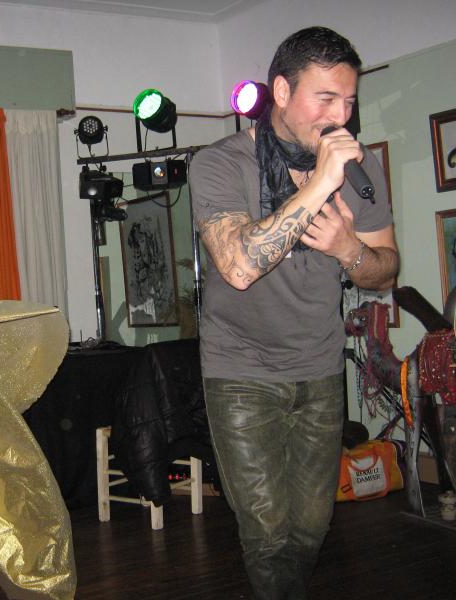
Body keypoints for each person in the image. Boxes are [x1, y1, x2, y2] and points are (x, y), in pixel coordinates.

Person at [189, 27, 398, 599]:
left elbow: (386, 270)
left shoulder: (360, 170)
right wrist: (321, 183)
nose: (341, 117)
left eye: (348, 101)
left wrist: (349, 250)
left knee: (310, 527)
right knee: (266, 532)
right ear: (281, 91)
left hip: (320, 367)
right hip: (240, 371)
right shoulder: (219, 164)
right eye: (325, 98)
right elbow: (238, 266)